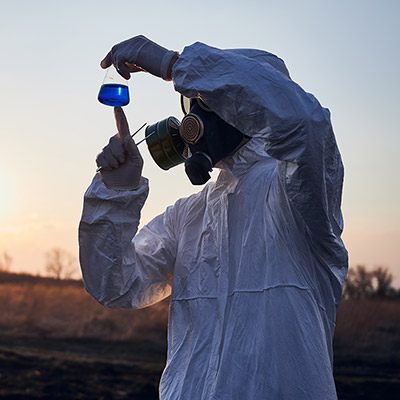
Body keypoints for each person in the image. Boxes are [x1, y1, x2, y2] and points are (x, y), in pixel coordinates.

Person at [79, 35, 348, 399]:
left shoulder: (297, 192)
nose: (195, 115)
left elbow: (304, 125)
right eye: (195, 102)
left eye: (210, 99)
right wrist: (116, 194)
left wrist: (175, 65)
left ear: (248, 105)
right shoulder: (187, 217)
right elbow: (114, 285)